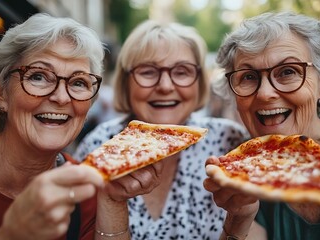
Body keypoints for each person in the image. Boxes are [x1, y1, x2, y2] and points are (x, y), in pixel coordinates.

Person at [0, 13, 162, 240]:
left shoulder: (84, 186)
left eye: (78, 82)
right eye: (38, 77)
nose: (61, 97)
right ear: (2, 92)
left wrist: (112, 199)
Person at [205, 11, 320, 240]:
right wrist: (239, 219)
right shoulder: (241, 173)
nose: (265, 94)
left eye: (287, 72)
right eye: (248, 76)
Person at [73, 19, 249, 239]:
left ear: (200, 82)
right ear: (126, 82)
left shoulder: (230, 141)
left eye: (181, 72)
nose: (165, 86)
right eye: (148, 72)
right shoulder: (98, 146)